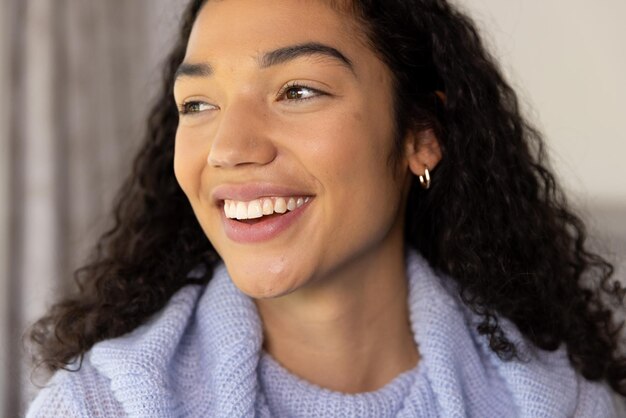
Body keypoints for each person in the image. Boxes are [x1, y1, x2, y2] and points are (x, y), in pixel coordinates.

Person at [26, 0, 625, 416]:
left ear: (421, 133)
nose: (230, 150)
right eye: (198, 104)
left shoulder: (566, 403)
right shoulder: (95, 406)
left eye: (298, 91)